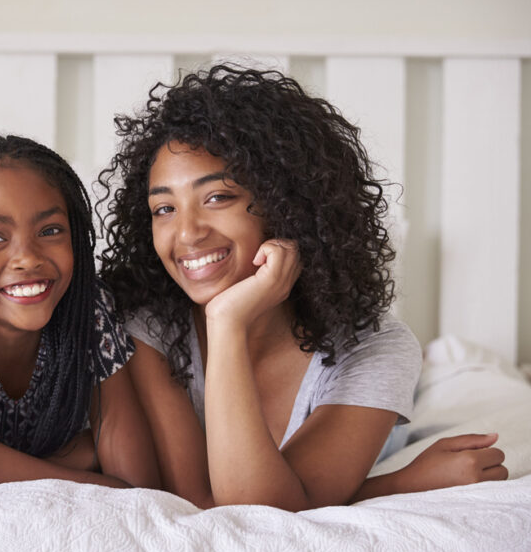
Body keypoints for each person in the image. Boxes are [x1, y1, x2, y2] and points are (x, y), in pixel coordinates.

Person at [99, 65, 507, 510]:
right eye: (163, 208)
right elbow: (217, 504)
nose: (187, 233)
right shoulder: (147, 328)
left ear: (286, 203)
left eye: (218, 197)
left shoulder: (373, 348)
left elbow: (251, 505)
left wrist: (225, 322)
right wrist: (397, 484)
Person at [0, 134, 160, 494]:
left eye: (50, 231)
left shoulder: (90, 307)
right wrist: (84, 455)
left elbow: (136, 490)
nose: (28, 258)